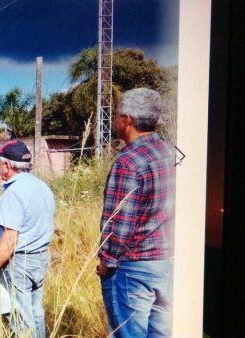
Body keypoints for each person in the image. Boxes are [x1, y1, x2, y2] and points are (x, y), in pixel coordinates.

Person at [96, 88, 176, 337]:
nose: (116, 122)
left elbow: (119, 223)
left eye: (118, 116)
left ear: (127, 120)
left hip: (133, 268)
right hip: (166, 262)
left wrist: (106, 262)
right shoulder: (170, 152)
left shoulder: (128, 161)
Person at [0, 140, 55, 338]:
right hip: (40, 259)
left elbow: (10, 240)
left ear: (7, 166)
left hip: (20, 263)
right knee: (36, 312)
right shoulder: (42, 187)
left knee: (22, 321)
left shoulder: (13, 193)